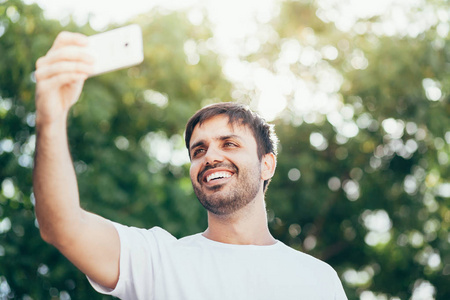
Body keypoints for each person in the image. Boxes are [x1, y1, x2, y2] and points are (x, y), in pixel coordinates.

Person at [33, 31, 348, 300]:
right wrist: (51, 119)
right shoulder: (157, 260)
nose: (210, 156)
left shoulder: (319, 280)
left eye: (229, 143)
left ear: (267, 165)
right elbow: (62, 225)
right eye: (199, 150)